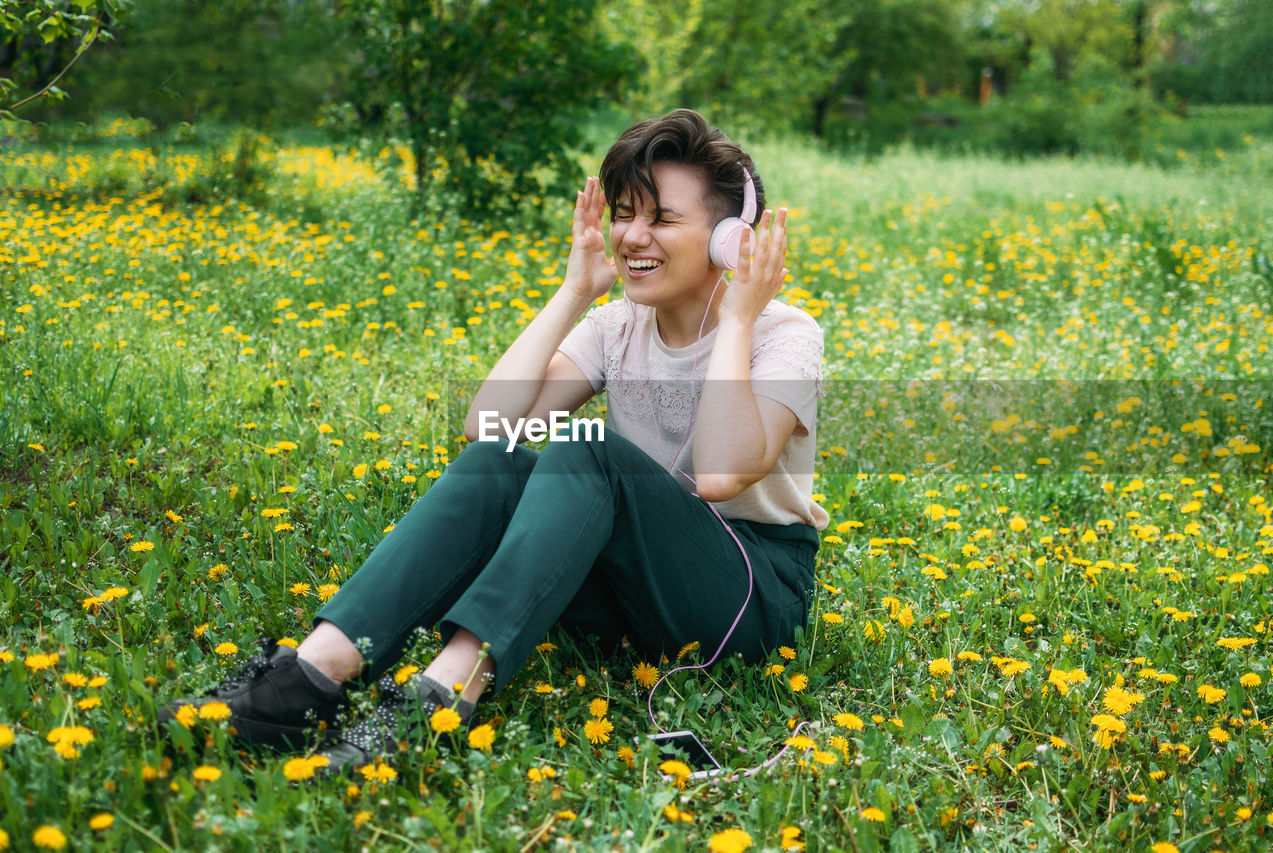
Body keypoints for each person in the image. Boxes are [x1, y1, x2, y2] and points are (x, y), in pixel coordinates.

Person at [160, 108, 828, 773]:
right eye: (624, 212)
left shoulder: (783, 335)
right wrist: (573, 292)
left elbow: (719, 476)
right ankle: (311, 675)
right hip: (633, 595)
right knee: (498, 462)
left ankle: (441, 699)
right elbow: (491, 428)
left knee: (588, 447)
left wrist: (737, 314)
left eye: (660, 218)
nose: (630, 235)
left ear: (727, 239)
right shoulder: (615, 326)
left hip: (749, 601)